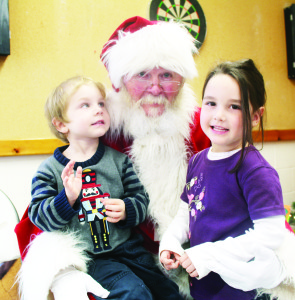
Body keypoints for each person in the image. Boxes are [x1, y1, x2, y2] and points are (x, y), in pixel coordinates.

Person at [15, 17, 289, 300]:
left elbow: (257, 206)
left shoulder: (204, 126)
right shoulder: (105, 133)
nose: (156, 88)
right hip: (124, 262)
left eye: (168, 75)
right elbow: (41, 213)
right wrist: (62, 270)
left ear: (182, 79)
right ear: (121, 80)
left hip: (209, 265)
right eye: (143, 74)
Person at [20, 75, 182, 300]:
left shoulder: (119, 161)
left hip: (130, 250)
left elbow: (141, 199)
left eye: (101, 104)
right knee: (134, 293)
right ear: (61, 123)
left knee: (169, 293)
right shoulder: (50, 170)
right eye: (85, 105)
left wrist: (126, 209)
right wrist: (66, 198)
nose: (98, 110)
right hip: (94, 259)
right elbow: (39, 216)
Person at [159, 59, 295, 300]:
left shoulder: (255, 170)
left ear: (255, 116)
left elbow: (271, 234)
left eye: (234, 107)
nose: (219, 115)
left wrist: (210, 255)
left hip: (241, 288)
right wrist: (170, 240)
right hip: (203, 284)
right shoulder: (197, 160)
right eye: (211, 103)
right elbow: (186, 211)